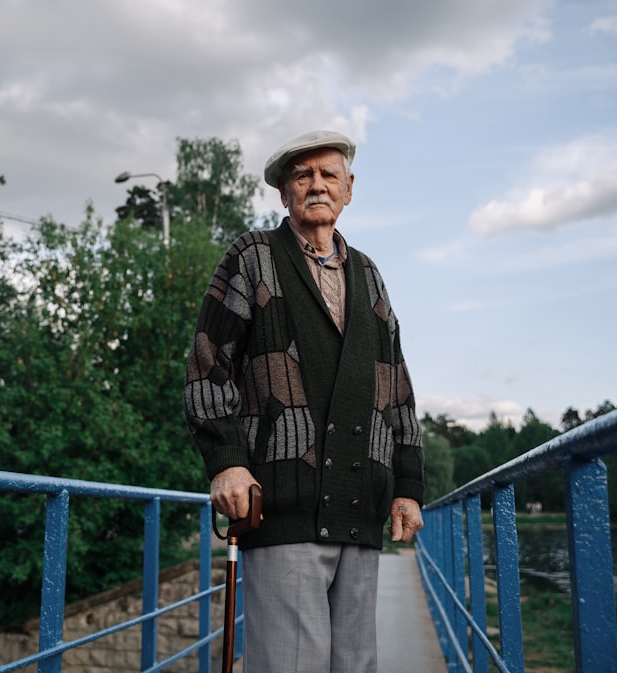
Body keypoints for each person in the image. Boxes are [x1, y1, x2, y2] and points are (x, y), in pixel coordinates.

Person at [183, 130, 425, 673]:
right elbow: (207, 362)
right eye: (302, 176)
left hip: (361, 511)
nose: (317, 185)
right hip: (286, 506)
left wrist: (408, 488)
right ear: (284, 191)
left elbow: (399, 389)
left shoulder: (370, 276)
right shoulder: (253, 258)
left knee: (355, 666)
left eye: (328, 175)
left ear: (349, 188)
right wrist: (227, 462)